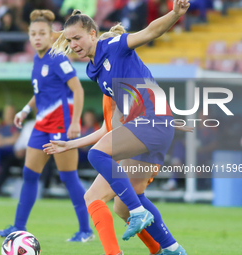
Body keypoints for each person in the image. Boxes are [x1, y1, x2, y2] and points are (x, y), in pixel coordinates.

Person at [46, 2, 190, 254]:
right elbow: (110, 127)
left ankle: (136, 217)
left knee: (98, 155)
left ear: (93, 34)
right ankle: (170, 249)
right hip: (148, 126)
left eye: (77, 38)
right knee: (121, 203)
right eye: (69, 41)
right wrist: (70, 144)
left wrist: (175, 14)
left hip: (151, 122)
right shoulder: (95, 72)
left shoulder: (113, 45)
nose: (73, 45)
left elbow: (150, 31)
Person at [0, 9, 94, 242]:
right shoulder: (37, 60)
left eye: (41, 33)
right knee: (29, 174)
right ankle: (18, 228)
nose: (37, 37)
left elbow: (77, 89)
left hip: (62, 126)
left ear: (51, 36)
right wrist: (26, 110)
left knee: (69, 178)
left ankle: (85, 230)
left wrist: (76, 121)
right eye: (33, 34)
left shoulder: (58, 58)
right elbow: (40, 93)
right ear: (29, 37)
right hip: (41, 126)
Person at [0, 105, 20, 186]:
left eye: (10, 112)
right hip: (2, 151)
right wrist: (9, 140)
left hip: (13, 152)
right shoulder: (1, 126)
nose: (8, 114)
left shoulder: (18, 125)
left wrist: (3, 140)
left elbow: (16, 140)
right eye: (7, 112)